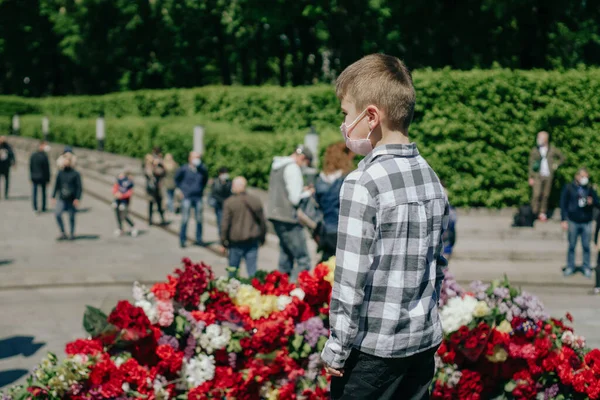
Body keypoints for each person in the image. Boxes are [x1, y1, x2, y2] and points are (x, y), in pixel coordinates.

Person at [321, 54, 449, 400]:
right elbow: (437, 265)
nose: (345, 123)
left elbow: (351, 280)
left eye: (347, 114)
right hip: (421, 344)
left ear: (371, 116)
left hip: (372, 352)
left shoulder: (362, 182)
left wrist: (336, 347)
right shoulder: (431, 178)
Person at [266, 144, 313, 280]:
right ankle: (294, 292)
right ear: (303, 158)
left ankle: (281, 290)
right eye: (306, 163)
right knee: (303, 259)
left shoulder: (278, 165)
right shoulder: (293, 168)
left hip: (275, 215)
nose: (304, 166)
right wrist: (308, 192)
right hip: (288, 218)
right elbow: (294, 199)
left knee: (286, 256)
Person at [314, 142, 354, 262]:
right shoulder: (345, 178)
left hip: (324, 228)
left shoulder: (320, 178)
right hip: (340, 228)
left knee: (326, 262)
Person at [220, 176, 267, 278]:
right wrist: (262, 237)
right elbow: (262, 221)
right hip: (252, 240)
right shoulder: (255, 200)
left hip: (236, 242)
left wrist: (223, 241)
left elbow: (225, 224)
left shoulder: (230, 202)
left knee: (233, 270)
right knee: (252, 270)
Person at [560, 167, 599, 278]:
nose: (584, 179)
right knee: (572, 245)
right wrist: (563, 219)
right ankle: (570, 266)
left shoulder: (590, 188)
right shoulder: (569, 188)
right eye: (582, 176)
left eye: (586, 176)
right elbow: (563, 204)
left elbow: (597, 202)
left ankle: (586, 267)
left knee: (586, 246)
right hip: (573, 220)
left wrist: (592, 201)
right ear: (576, 176)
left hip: (586, 221)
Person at [175, 151, 209, 248]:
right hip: (187, 196)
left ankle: (199, 238)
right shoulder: (184, 169)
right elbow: (177, 179)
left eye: (198, 158)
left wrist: (201, 189)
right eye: (195, 157)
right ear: (189, 158)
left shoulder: (202, 169)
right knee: (185, 218)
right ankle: (182, 239)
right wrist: (181, 190)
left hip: (198, 196)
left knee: (199, 219)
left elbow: (205, 180)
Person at [529, 131, 565, 221]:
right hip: (538, 175)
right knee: (536, 194)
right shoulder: (535, 150)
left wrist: (556, 165)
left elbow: (562, 157)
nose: (538, 140)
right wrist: (531, 176)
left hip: (548, 175)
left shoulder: (552, 149)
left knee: (545, 195)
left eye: (540, 138)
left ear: (546, 139)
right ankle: (534, 212)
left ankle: (542, 213)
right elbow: (531, 164)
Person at [51, 153, 82, 241]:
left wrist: (77, 198)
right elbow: (57, 185)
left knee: (71, 217)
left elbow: (79, 187)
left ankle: (72, 233)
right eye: (65, 161)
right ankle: (63, 232)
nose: (66, 163)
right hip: (62, 198)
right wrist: (53, 196)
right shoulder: (60, 173)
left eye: (67, 161)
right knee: (57, 214)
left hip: (71, 198)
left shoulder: (75, 174)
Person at [112, 169, 138, 237]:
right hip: (117, 200)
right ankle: (120, 228)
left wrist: (122, 195)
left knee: (124, 214)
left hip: (125, 201)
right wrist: (116, 193)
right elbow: (115, 188)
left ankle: (132, 226)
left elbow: (129, 193)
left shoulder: (130, 183)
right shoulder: (119, 181)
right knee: (117, 214)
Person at [144, 153, 166, 226]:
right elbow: (148, 173)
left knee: (159, 205)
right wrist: (152, 166)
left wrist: (160, 164)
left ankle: (162, 218)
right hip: (150, 190)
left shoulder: (157, 167)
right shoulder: (147, 168)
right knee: (150, 204)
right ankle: (150, 219)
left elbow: (163, 173)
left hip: (157, 189)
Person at [210, 166, 232, 236]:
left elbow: (230, 193)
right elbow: (214, 194)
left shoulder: (229, 182)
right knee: (220, 222)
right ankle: (221, 238)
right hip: (219, 205)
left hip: (227, 205)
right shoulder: (215, 182)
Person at [29, 141, 51, 213]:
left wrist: (31, 176)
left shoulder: (33, 155)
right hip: (42, 177)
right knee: (42, 192)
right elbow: (47, 169)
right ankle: (43, 207)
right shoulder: (44, 156)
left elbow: (31, 166)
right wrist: (48, 179)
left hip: (35, 176)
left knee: (35, 192)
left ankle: (35, 207)